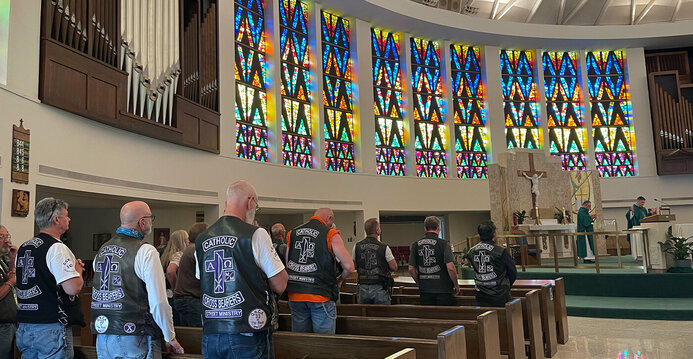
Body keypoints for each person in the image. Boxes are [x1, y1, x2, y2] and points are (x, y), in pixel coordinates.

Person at [195, 181, 287, 359]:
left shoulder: (202, 238)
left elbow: (203, 280)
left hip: (211, 332)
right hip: (247, 331)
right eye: (256, 206)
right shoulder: (255, 233)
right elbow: (280, 284)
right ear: (250, 201)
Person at [91, 201, 184, 358]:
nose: (151, 221)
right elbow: (158, 302)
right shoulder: (145, 251)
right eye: (150, 218)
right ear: (142, 222)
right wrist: (170, 336)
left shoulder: (102, 250)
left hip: (103, 335)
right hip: (135, 334)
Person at [15, 197, 85, 358]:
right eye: (66, 215)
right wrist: (77, 270)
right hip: (50, 325)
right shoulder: (57, 247)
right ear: (56, 219)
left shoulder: (24, 247)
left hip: (25, 324)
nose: (69, 219)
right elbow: (72, 288)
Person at [285, 208, 354, 334]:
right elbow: (349, 266)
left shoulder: (292, 233)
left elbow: (287, 263)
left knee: (300, 340)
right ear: (329, 219)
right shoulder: (330, 234)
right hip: (320, 294)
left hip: (295, 293)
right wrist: (340, 279)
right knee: (323, 342)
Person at [408, 216, 459, 306]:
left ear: (425, 228)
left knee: (428, 317)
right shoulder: (444, 244)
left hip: (425, 290)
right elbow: (450, 268)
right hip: (443, 290)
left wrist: (419, 283)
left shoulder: (415, 245)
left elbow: (411, 269)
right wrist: (456, 285)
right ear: (438, 227)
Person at [466, 220, 517, 307]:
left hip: (481, 293)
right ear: (494, 234)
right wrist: (507, 286)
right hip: (499, 293)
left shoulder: (471, 251)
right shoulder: (500, 251)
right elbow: (513, 272)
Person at [352, 218, 397, 304]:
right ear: (377, 230)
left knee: (365, 314)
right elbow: (394, 267)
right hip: (379, 287)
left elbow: (353, 265)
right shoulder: (384, 247)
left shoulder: (357, 246)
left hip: (363, 286)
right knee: (382, 315)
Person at [173, 222, 208, 327]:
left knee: (187, 335)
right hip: (191, 300)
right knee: (196, 335)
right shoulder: (196, 250)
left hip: (185, 300)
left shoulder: (189, 248)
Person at [161, 229, 189, 325]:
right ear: (182, 241)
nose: (188, 241)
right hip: (174, 296)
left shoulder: (165, 256)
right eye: (187, 239)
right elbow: (170, 271)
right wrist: (176, 288)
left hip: (165, 295)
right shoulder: (178, 255)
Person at [0, 225, 18, 358]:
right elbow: (10, 282)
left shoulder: (3, 259)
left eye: (7, 236)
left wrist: (12, 260)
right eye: (2, 237)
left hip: (11, 322)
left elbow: (11, 277)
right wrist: (10, 282)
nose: (6, 240)